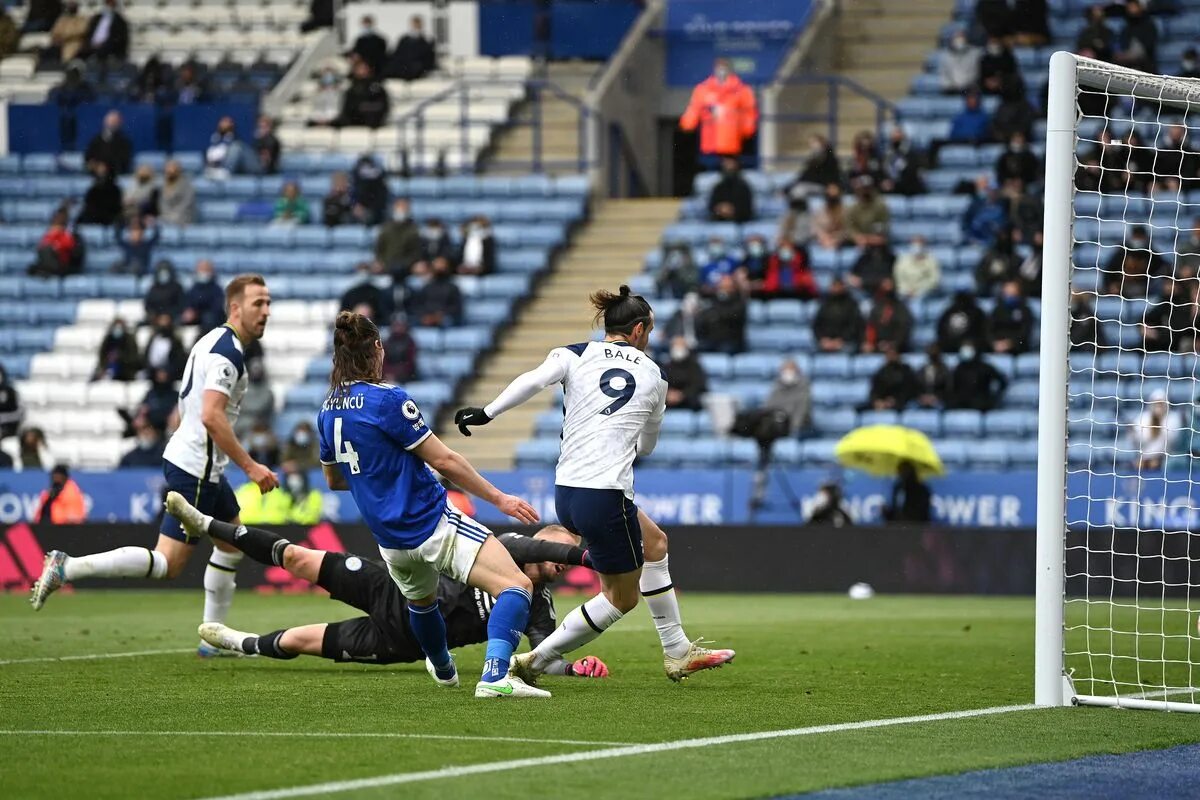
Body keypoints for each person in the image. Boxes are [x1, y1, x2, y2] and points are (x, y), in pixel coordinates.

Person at [455, 286, 735, 684]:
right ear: (639, 330)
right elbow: (648, 446)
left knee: (655, 542)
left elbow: (533, 381)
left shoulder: (574, 353)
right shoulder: (654, 375)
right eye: (649, 331)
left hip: (568, 491)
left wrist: (487, 412)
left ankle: (677, 650)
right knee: (622, 597)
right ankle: (532, 661)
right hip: (605, 494)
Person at [31, 276, 281, 663]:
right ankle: (69, 567)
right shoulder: (227, 354)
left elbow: (192, 407)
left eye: (268, 303)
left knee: (231, 545)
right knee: (168, 563)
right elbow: (213, 416)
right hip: (196, 467)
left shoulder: (211, 341)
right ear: (235, 307)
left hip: (203, 465)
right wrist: (251, 467)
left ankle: (211, 638)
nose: (266, 311)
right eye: (258, 304)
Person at [309, 311, 543, 697]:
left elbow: (335, 479)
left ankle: (443, 666)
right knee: (516, 586)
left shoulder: (327, 409)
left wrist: (380, 479)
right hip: (432, 523)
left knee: (422, 603)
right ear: (378, 349)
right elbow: (445, 460)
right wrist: (500, 498)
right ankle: (495, 677)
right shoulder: (388, 400)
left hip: (391, 541)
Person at [176, 494, 605, 677]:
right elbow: (526, 544)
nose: (562, 564)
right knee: (296, 557)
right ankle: (207, 524)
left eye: (567, 560)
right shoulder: (507, 550)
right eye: (558, 551)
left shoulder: (539, 608)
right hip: (397, 587)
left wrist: (572, 668)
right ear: (541, 541)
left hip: (403, 640)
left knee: (301, 640)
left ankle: (239, 642)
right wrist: (587, 554)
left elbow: (542, 656)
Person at [679, 58, 758, 162]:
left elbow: (749, 113)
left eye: (724, 67)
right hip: (710, 144)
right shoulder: (703, 89)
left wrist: (747, 130)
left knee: (731, 171)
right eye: (719, 67)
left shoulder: (741, 90)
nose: (721, 70)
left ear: (730, 70)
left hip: (733, 143)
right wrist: (687, 124)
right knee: (710, 172)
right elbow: (694, 109)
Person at [234, 460, 321, 525]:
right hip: (252, 526)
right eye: (289, 475)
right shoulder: (242, 490)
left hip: (276, 527)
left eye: (295, 474)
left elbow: (288, 512)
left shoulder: (279, 492)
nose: (293, 478)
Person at [947, 341, 1008, 411]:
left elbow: (1002, 382)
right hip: (961, 404)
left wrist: (993, 397)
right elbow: (951, 387)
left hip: (980, 404)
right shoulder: (958, 368)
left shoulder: (985, 367)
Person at [697, 275, 747, 354]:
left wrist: (715, 313)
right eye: (722, 287)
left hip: (731, 341)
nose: (724, 289)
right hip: (712, 339)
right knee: (698, 348)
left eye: (727, 287)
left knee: (725, 349)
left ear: (734, 288)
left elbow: (731, 315)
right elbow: (704, 316)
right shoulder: (714, 299)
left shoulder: (740, 302)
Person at [813, 276, 865, 353]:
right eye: (834, 285)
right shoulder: (825, 303)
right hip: (826, 342)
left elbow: (855, 326)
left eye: (838, 285)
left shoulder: (851, 304)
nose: (836, 288)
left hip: (846, 342)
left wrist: (841, 340)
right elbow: (817, 325)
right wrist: (823, 340)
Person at [1131, 390, 1180, 472]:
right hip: (1144, 457)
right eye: (1156, 403)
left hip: (1165, 457)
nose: (1158, 406)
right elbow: (1139, 441)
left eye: (1161, 403)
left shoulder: (1173, 418)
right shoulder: (1143, 418)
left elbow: (1171, 441)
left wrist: (1158, 423)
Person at [407, 257, 462, 327]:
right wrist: (425, 316)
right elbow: (418, 306)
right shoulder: (426, 287)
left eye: (442, 268)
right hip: (426, 318)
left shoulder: (453, 288)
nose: (439, 270)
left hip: (445, 319)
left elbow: (457, 308)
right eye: (437, 268)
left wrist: (440, 316)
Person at [28, 207, 82, 278]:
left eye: (61, 218)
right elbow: (42, 247)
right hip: (50, 261)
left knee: (46, 250)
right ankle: (46, 270)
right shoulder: (50, 233)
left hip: (63, 264)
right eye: (57, 218)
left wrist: (56, 245)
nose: (59, 220)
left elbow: (68, 247)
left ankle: (46, 271)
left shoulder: (70, 234)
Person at [863, 280, 913, 354]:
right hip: (878, 345)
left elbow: (904, 329)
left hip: (897, 347)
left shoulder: (901, 308)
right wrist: (871, 343)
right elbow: (871, 327)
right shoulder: (877, 308)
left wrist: (893, 344)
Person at [338, 59, 390, 129]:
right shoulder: (351, 90)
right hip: (354, 123)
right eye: (358, 68)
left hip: (374, 122)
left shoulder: (377, 88)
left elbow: (383, 106)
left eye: (364, 68)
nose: (361, 71)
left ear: (369, 70)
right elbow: (347, 109)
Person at [864, 345, 916, 411]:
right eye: (889, 354)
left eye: (893, 354)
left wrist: (894, 400)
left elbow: (909, 389)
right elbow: (875, 389)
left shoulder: (906, 371)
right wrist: (877, 401)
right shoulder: (881, 371)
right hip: (883, 403)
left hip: (901, 403)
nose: (891, 357)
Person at [988, 280, 1033, 355]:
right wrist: (995, 343)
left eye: (1013, 294)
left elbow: (1025, 332)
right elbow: (989, 329)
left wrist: (1010, 343)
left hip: (1019, 350)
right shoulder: (997, 310)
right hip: (997, 348)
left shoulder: (1025, 311)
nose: (1010, 296)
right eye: (1008, 293)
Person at [181, 260, 225, 335]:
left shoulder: (217, 290)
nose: (203, 272)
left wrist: (197, 314)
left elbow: (217, 310)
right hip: (193, 323)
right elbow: (187, 304)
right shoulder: (193, 289)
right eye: (201, 269)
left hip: (209, 325)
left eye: (206, 270)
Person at [387, 15, 437, 81]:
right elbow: (398, 54)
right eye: (414, 23)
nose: (416, 26)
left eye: (418, 23)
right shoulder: (404, 39)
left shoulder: (427, 40)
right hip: (404, 68)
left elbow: (429, 57)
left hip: (419, 68)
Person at [962, 175, 1008, 246]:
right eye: (991, 190)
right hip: (976, 240)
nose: (993, 193)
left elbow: (1004, 225)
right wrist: (971, 238)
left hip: (995, 242)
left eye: (995, 190)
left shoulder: (1003, 206)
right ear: (987, 190)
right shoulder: (976, 205)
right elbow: (966, 223)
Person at [664, 337, 706, 411]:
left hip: (688, 399)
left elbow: (698, 385)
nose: (678, 348)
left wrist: (682, 395)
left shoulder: (695, 366)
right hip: (669, 399)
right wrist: (669, 394)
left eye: (681, 346)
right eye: (675, 345)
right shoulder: (667, 366)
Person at [708, 156, 754, 223]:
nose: (728, 166)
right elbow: (711, 207)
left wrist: (732, 210)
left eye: (731, 163)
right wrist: (720, 209)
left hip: (740, 222)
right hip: (719, 222)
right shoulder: (718, 187)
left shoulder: (744, 187)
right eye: (726, 163)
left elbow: (748, 209)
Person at [1115, 0, 1157, 73]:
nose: (1131, 9)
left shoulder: (1149, 25)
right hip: (1127, 63)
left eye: (1133, 6)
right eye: (1129, 7)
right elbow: (1123, 45)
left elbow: (1148, 46)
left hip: (1145, 64)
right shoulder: (1126, 27)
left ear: (1140, 7)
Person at [893, 236, 940, 300]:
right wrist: (906, 290)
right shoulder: (902, 260)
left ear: (924, 246)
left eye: (920, 245)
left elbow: (934, 280)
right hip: (904, 292)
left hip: (923, 293)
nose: (917, 247)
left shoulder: (931, 261)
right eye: (914, 245)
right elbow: (898, 277)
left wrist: (918, 291)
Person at [77, 161, 122, 225]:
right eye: (100, 173)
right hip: (93, 217)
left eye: (104, 173)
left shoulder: (115, 190)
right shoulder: (93, 190)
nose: (102, 175)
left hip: (109, 217)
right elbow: (88, 205)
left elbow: (116, 207)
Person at [351, 154, 389, 226]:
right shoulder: (355, 182)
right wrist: (355, 206)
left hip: (376, 212)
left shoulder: (380, 183)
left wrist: (371, 210)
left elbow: (381, 200)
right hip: (359, 212)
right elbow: (352, 197)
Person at [939, 30, 980, 94]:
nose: (960, 39)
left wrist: (966, 85)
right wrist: (951, 86)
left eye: (962, 37)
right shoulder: (945, 55)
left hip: (969, 88)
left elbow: (976, 72)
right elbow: (944, 74)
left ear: (966, 38)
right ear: (952, 39)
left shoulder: (975, 53)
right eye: (957, 37)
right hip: (951, 90)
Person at [812, 184, 851, 250]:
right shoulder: (819, 211)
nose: (832, 198)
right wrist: (823, 237)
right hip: (823, 241)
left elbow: (849, 229)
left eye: (834, 197)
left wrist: (836, 239)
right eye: (829, 196)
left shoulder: (847, 211)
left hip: (842, 242)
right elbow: (815, 228)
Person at [159, 159, 196, 226]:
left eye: (172, 169)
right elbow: (162, 203)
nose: (169, 172)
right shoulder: (163, 185)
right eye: (167, 170)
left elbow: (186, 203)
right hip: (166, 217)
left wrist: (173, 215)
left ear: (178, 171)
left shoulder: (186, 185)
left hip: (182, 217)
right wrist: (167, 214)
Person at [383, 317, 417, 382]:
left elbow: (410, 363)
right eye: (396, 326)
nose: (398, 328)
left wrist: (396, 372)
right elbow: (384, 361)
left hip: (405, 374)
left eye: (401, 326)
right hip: (388, 373)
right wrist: (388, 372)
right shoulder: (387, 342)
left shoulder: (410, 342)